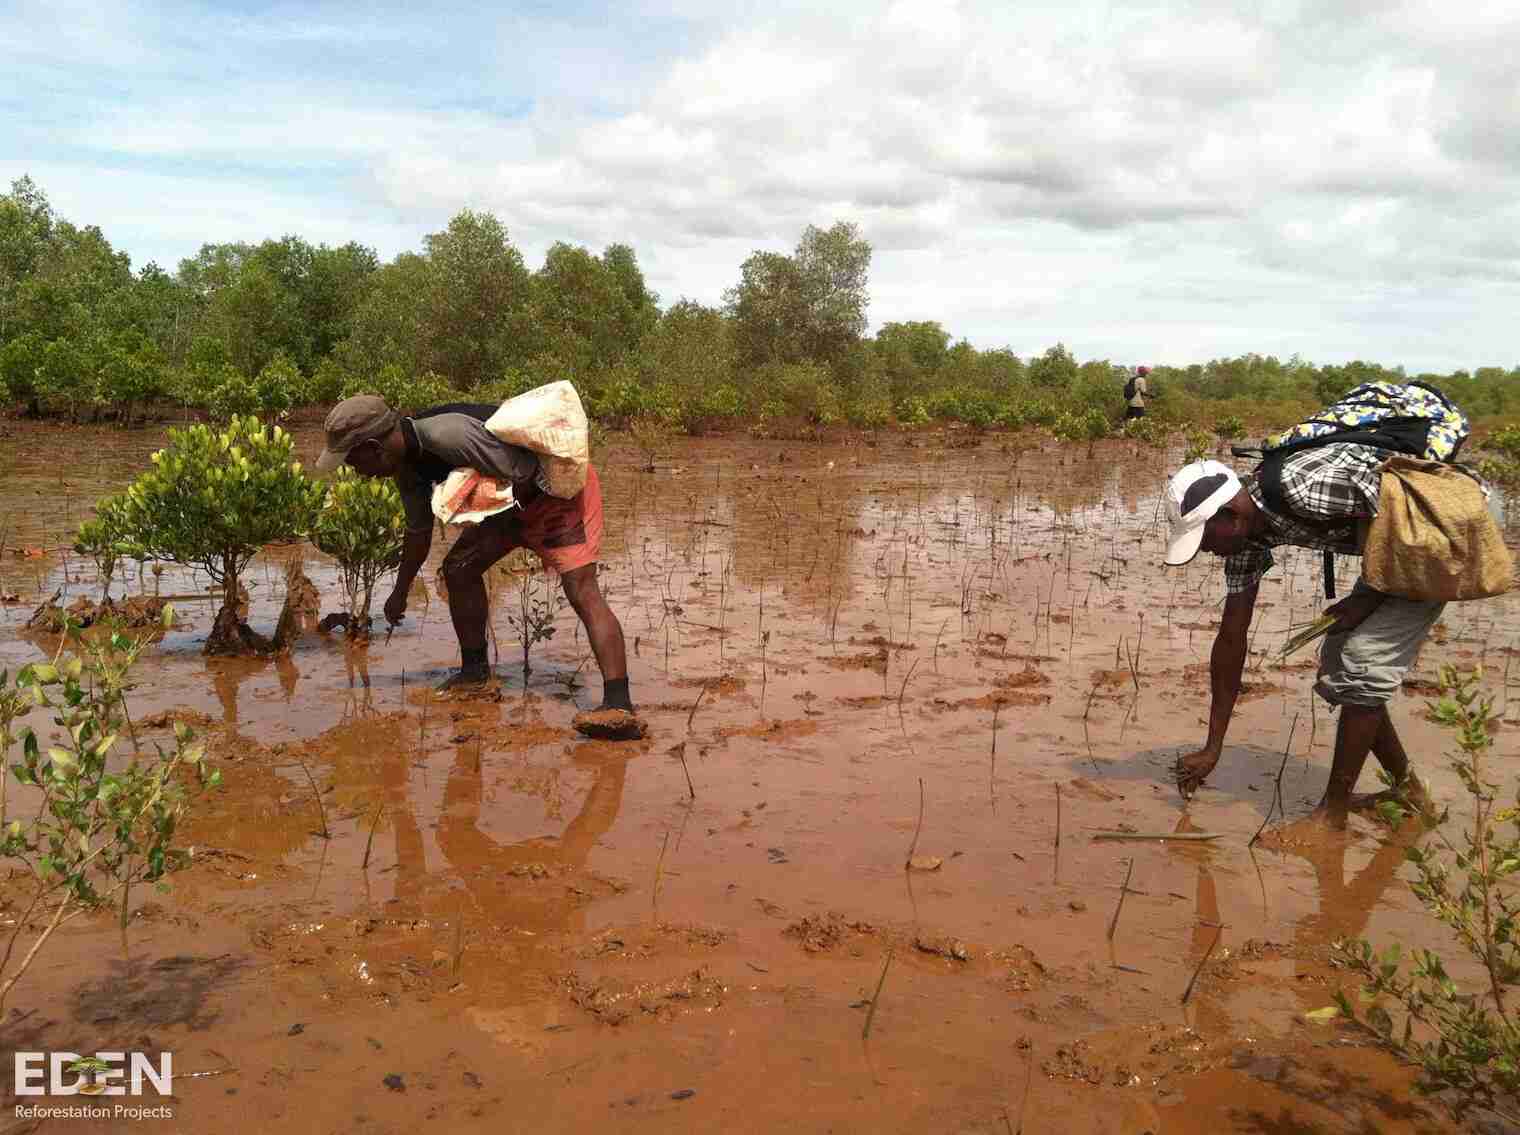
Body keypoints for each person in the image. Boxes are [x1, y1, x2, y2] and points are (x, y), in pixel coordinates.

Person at [314, 394, 640, 737]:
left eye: (355, 463)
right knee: (458, 569)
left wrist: (472, 499)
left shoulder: (447, 435)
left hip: (555, 496)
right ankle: (475, 673)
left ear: (372, 447)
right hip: (510, 508)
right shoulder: (407, 469)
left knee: (581, 590)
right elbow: (418, 533)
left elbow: (526, 474)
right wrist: (400, 590)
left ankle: (619, 705)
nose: (360, 475)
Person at [1163, 451, 1440, 833]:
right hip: (1390, 555)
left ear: (1230, 514)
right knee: (1341, 657)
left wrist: (1365, 600)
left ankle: (1331, 818)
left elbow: (1403, 516)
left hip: (1427, 540)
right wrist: (1214, 747)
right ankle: (1409, 792)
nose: (1205, 550)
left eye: (1203, 538)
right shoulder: (1246, 538)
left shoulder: (1298, 486)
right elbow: (1231, 638)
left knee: (1363, 664)